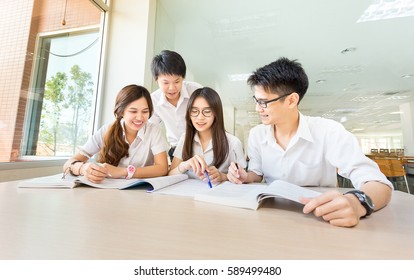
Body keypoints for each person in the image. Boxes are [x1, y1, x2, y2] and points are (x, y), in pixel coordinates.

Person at [227, 57, 393, 227]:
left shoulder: (328, 131)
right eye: (256, 100)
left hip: (320, 218)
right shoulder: (257, 134)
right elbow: (257, 174)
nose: (257, 108)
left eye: (264, 102)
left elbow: (379, 184)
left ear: (291, 100)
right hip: (271, 216)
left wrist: (356, 203)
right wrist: (245, 176)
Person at [63, 84, 169, 183]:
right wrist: (82, 169)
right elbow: (68, 164)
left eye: (145, 111)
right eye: (133, 111)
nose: (140, 117)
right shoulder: (107, 130)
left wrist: (124, 171)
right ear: (121, 111)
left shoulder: (153, 131)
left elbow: (162, 168)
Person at [168, 87, 246, 184]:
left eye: (207, 111)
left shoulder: (233, 143)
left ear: (216, 113)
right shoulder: (185, 139)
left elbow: (242, 179)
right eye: (194, 111)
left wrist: (223, 176)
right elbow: (170, 175)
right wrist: (184, 165)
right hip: (188, 196)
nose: (200, 117)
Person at [150, 50, 202, 161]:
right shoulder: (153, 100)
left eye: (177, 81)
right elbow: (152, 130)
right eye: (166, 83)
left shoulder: (195, 91)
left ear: (183, 77)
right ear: (156, 80)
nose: (172, 88)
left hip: (200, 148)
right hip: (175, 150)